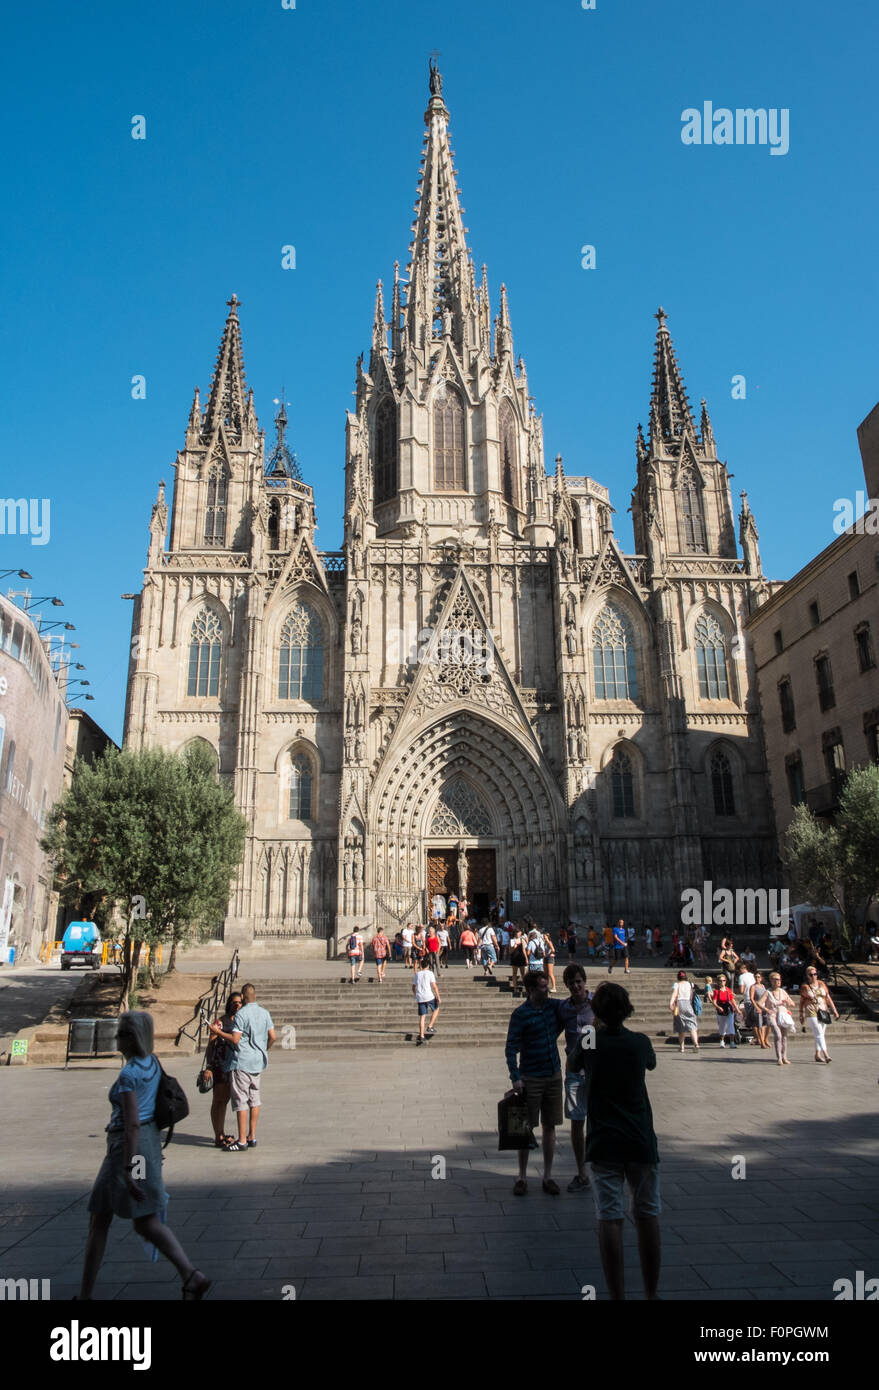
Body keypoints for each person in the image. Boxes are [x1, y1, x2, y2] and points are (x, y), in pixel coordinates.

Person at [78, 1011, 211, 1300]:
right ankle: (191, 1274)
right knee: (142, 1219)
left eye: (122, 1033)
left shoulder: (129, 1074)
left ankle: (86, 1295)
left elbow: (131, 1122)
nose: (117, 1038)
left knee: (102, 1219)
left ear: (133, 1037)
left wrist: (128, 1169)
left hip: (125, 1149)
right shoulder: (152, 1064)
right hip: (146, 1144)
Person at [573, 982, 661, 1302]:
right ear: (627, 1009)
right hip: (640, 1139)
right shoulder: (639, 1042)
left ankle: (617, 1296)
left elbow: (572, 1064)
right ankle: (651, 1293)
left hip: (604, 1140)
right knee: (647, 1213)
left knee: (609, 1217)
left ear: (597, 1012)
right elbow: (650, 1063)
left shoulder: (589, 1042)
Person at [504, 971, 567, 1196]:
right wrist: (515, 1077)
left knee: (550, 1126)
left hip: (553, 1074)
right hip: (530, 1076)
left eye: (546, 985)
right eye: (542, 987)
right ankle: (521, 1176)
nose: (547, 989)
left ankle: (547, 1176)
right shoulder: (520, 1014)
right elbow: (510, 1047)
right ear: (531, 990)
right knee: (523, 1128)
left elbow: (574, 1007)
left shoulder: (554, 1007)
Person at [209, 982, 276, 1148]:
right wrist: (263, 1050)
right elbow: (273, 1037)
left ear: (244, 998)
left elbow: (235, 1039)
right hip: (257, 1062)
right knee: (255, 1099)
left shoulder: (242, 1014)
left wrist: (218, 1032)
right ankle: (252, 1136)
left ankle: (242, 1140)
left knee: (241, 1101)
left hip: (242, 1061)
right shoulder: (264, 1013)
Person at [559, 963, 594, 1193]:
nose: (576, 986)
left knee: (599, 1120)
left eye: (579, 981)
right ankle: (582, 1172)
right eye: (571, 983)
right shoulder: (563, 1008)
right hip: (573, 1072)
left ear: (585, 981)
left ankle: (602, 1169)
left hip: (596, 1072)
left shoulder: (598, 1004)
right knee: (576, 1122)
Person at [206, 989, 243, 1150]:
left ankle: (221, 1133)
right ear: (229, 1004)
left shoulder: (241, 1021)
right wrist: (208, 1067)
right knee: (219, 1101)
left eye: (240, 1002)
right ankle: (218, 1135)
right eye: (234, 1002)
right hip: (220, 1065)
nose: (237, 1005)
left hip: (235, 1066)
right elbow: (211, 1045)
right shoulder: (220, 1022)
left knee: (226, 1101)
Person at [799, 964, 839, 1063]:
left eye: (815, 974)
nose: (813, 976)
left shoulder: (821, 983)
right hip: (811, 1010)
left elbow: (828, 997)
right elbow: (801, 1001)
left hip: (823, 1010)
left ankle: (817, 1054)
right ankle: (826, 1055)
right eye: (811, 975)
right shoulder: (805, 987)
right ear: (807, 976)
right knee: (819, 1033)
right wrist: (801, 1014)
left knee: (820, 1034)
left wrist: (834, 1010)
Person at [762, 971, 796, 1065]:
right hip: (773, 1016)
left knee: (784, 1037)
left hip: (782, 1015)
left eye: (779, 979)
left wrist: (788, 1003)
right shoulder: (768, 992)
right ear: (771, 981)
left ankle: (784, 1057)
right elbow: (759, 1003)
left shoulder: (783, 991)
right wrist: (767, 1010)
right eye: (776, 979)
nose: (778, 981)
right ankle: (779, 1058)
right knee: (778, 1035)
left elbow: (792, 1003)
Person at [669, 970, 699, 1053]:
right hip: (688, 1004)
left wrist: (671, 1003)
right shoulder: (690, 984)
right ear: (685, 976)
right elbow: (691, 996)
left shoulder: (677, 984)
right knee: (692, 1025)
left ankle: (682, 1047)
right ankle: (696, 1044)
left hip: (679, 1004)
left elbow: (674, 994)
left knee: (680, 1026)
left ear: (678, 977)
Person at [413, 954, 441, 1044]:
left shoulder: (417, 974)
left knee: (422, 1017)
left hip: (420, 997)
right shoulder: (430, 973)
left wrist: (416, 994)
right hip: (429, 996)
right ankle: (430, 1026)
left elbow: (413, 987)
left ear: (421, 966)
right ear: (428, 966)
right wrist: (438, 997)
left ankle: (421, 1035)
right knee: (436, 1009)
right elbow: (434, 986)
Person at [712, 972, 742, 1049]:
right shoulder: (716, 991)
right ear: (718, 982)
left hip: (729, 1009)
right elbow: (714, 1002)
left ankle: (732, 1042)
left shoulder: (728, 990)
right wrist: (718, 1007)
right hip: (721, 1010)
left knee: (731, 1025)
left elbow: (732, 1000)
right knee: (722, 1026)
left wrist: (737, 1009)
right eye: (720, 980)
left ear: (726, 981)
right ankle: (722, 1041)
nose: (722, 982)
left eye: (724, 980)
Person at [748, 971, 771, 1049]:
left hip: (764, 1007)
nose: (757, 978)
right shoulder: (753, 987)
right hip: (756, 1007)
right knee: (759, 1026)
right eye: (755, 977)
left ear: (761, 978)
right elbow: (751, 998)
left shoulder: (763, 986)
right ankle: (761, 1042)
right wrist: (757, 1007)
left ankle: (765, 1040)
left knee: (766, 1024)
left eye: (758, 977)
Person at [510, 925, 528, 995]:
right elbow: (510, 951)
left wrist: (526, 958)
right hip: (514, 957)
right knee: (514, 973)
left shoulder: (522, 940)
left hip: (521, 957)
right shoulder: (512, 940)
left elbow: (524, 950)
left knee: (523, 974)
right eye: (516, 932)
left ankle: (526, 988)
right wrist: (514, 947)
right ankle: (515, 987)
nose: (518, 933)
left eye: (519, 932)